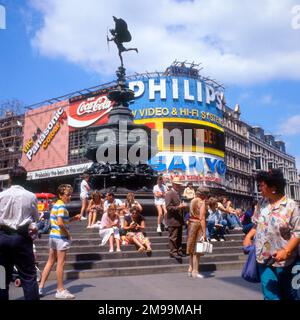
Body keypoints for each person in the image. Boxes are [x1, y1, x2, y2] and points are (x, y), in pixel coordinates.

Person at [243, 169, 300, 300]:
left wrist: (286, 250)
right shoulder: (262, 203)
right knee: (270, 296)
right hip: (263, 259)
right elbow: (257, 224)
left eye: (262, 185)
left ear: (273, 187)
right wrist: (248, 236)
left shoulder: (291, 206)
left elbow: (297, 232)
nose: (259, 188)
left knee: (290, 296)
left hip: (286, 262)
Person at [0, 166, 40, 300]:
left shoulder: (1, 195)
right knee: (28, 277)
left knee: (1, 277)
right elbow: (35, 218)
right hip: (22, 238)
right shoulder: (31, 196)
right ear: (25, 179)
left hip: (2, 237)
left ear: (10, 179)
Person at [38, 184, 81, 299]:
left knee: (50, 261)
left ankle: (40, 287)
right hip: (60, 237)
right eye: (68, 195)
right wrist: (68, 234)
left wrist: (72, 219)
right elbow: (60, 223)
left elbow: (60, 221)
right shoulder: (62, 206)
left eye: (70, 194)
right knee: (60, 264)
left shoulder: (56, 205)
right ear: (61, 195)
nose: (70, 197)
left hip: (53, 236)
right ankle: (60, 290)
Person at [186, 187, 209, 278]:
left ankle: (190, 268)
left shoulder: (192, 201)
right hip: (198, 225)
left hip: (191, 224)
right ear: (203, 195)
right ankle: (195, 271)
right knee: (197, 249)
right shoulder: (201, 202)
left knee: (191, 247)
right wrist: (204, 232)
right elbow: (202, 218)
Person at [165, 177, 187, 259]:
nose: (179, 186)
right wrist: (179, 207)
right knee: (173, 237)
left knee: (179, 237)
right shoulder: (169, 193)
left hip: (179, 219)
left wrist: (182, 207)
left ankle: (179, 250)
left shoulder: (178, 193)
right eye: (177, 184)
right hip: (173, 220)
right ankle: (173, 252)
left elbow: (178, 205)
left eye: (179, 185)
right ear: (173, 184)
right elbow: (168, 207)